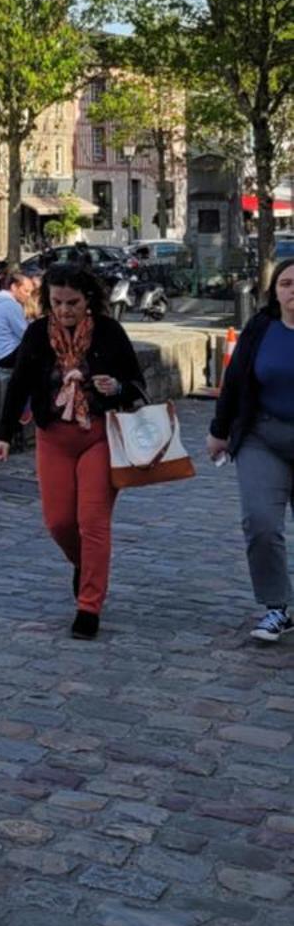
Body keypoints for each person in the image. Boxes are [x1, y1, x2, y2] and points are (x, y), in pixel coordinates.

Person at [0, 264, 146, 640]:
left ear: (88, 299)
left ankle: (89, 607)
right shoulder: (37, 334)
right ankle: (84, 564)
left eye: (72, 302)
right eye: (57, 302)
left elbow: (137, 386)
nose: (65, 310)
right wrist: (5, 434)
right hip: (53, 436)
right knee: (59, 522)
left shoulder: (109, 332)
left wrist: (114, 387)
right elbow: (19, 385)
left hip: (98, 435)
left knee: (92, 523)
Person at [209, 260, 294, 642]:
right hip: (264, 437)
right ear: (275, 290)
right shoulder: (261, 329)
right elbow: (236, 381)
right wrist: (219, 430)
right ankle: (276, 607)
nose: (293, 290)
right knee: (260, 523)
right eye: (286, 283)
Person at [0, 267, 34, 368]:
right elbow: (25, 334)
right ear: (14, 287)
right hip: (7, 355)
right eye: (26, 291)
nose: (28, 296)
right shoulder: (10, 305)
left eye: (30, 292)